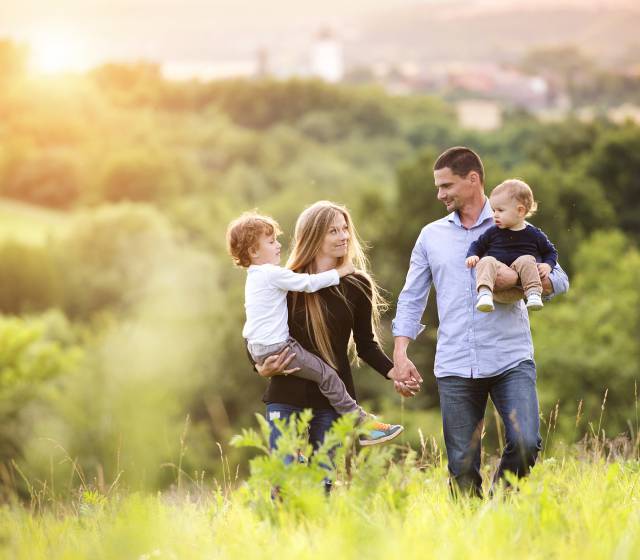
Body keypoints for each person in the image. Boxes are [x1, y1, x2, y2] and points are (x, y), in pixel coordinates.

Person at [390, 147, 569, 497]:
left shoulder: (517, 224)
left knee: (525, 442)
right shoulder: (431, 236)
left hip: (510, 356)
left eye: (446, 185)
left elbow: (560, 278)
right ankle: (471, 538)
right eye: (438, 187)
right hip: (455, 362)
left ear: (473, 180)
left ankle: (498, 509)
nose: (440, 194)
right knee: (461, 465)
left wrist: (528, 281)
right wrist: (400, 352)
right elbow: (412, 296)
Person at [243, 202, 404, 461]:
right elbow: (257, 328)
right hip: (286, 394)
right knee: (285, 479)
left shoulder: (356, 284)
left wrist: (393, 371)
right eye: (333, 231)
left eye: (344, 229)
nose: (343, 236)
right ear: (313, 237)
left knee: (323, 482)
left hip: (332, 402)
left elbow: (366, 345)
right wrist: (259, 366)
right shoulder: (287, 280)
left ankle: (364, 424)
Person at [465, 179, 558, 313]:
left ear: (520, 211)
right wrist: (472, 255)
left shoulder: (534, 234)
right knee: (486, 260)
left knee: (527, 259)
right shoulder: (493, 232)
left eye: (500, 210)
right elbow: (477, 245)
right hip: (497, 287)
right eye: (493, 210)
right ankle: (484, 294)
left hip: (519, 290)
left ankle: (533, 294)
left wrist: (548, 265)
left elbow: (550, 252)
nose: (495, 215)